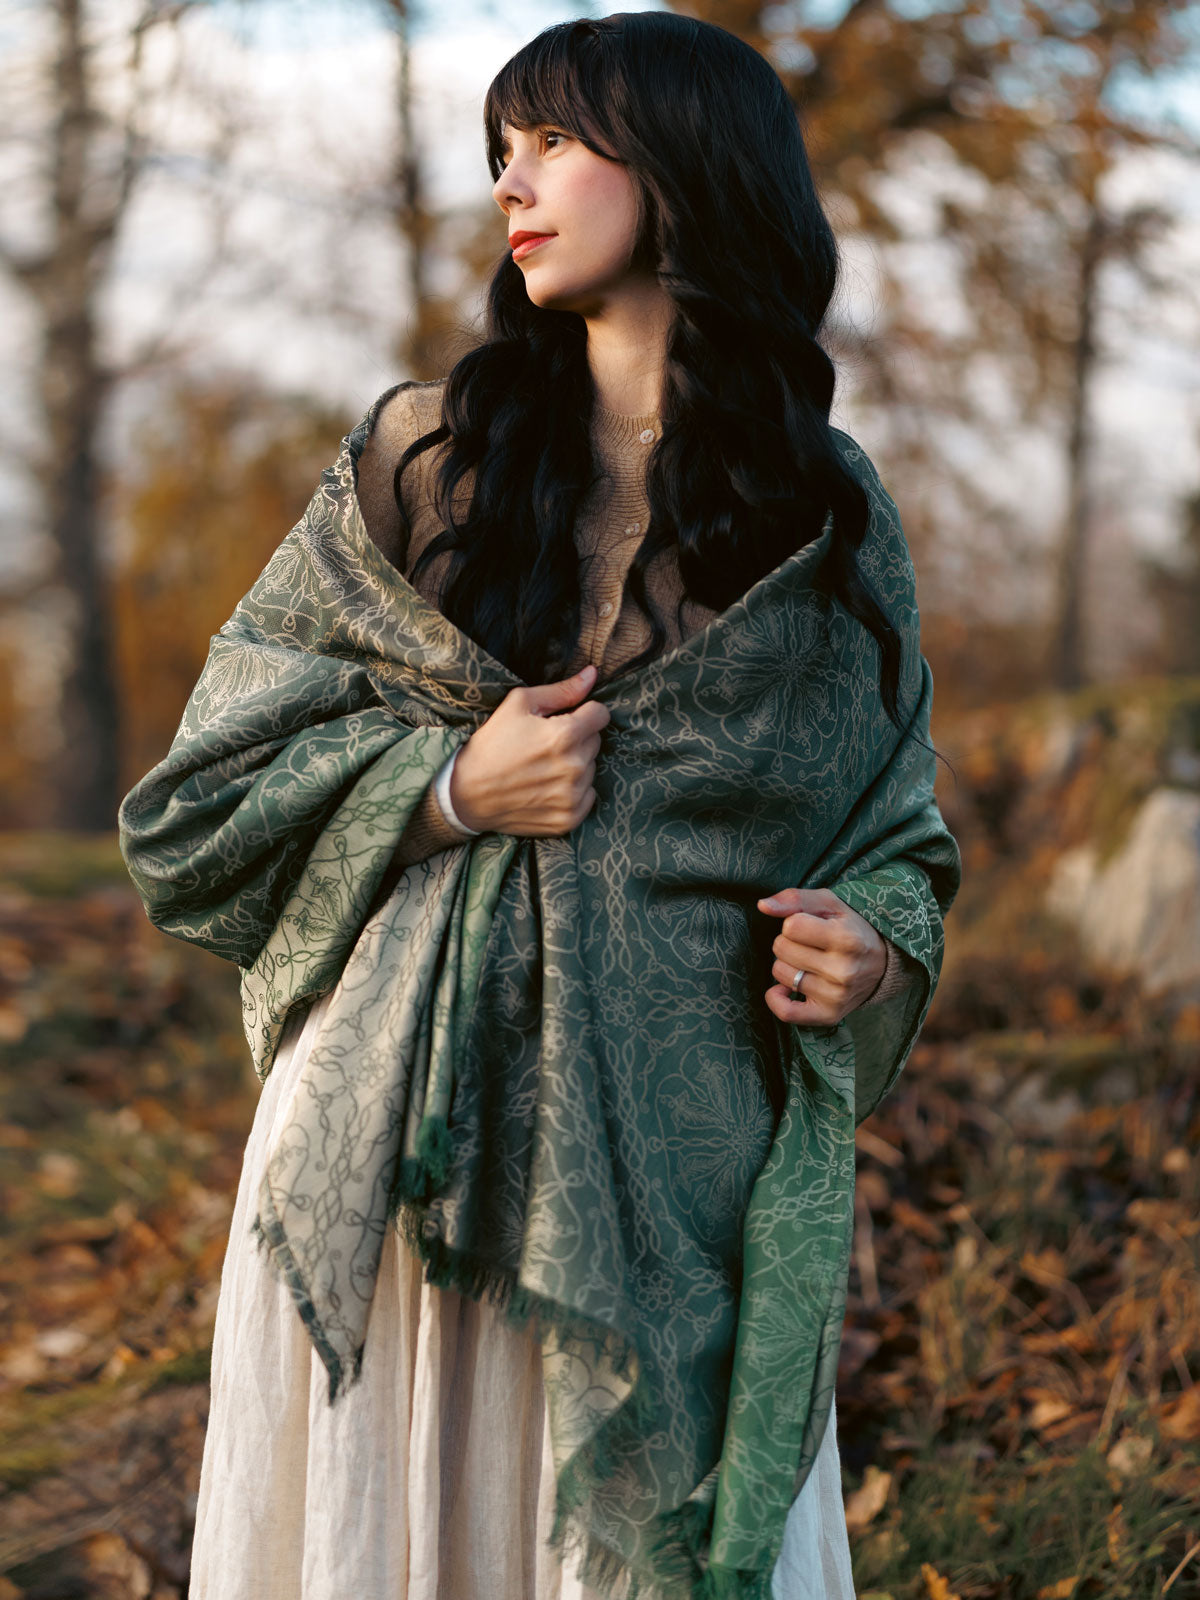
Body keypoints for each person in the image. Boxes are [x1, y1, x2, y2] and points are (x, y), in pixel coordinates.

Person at [118, 12, 961, 1600]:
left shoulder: (828, 519)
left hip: (672, 1181)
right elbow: (196, 805)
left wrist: (868, 952)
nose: (513, 181)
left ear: (690, 168)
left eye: (557, 140)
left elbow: (899, 840)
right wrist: (445, 787)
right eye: (502, 149)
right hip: (405, 1149)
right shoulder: (428, 463)